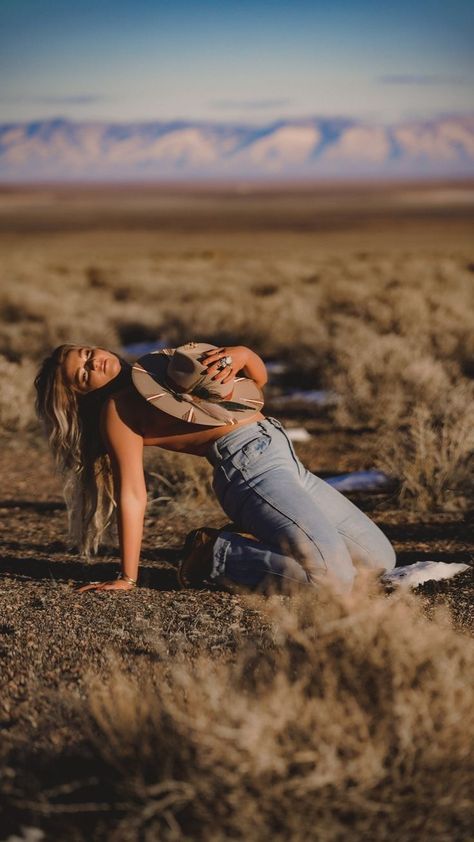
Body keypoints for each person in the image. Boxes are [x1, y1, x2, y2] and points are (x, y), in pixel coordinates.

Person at [34, 342, 396, 594]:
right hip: (249, 472)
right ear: (85, 393)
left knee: (381, 561)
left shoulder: (163, 367)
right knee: (334, 579)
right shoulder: (117, 411)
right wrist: (128, 576)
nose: (93, 363)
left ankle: (267, 538)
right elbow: (131, 492)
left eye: (86, 355)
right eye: (83, 375)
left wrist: (244, 354)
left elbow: (256, 386)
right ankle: (214, 555)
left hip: (283, 456)